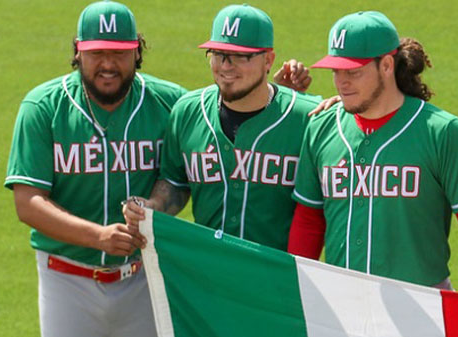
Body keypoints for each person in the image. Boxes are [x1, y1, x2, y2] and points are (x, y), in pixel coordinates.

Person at [4, 1, 186, 337]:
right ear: (78, 51)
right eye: (97, 52)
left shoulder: (170, 103)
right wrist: (98, 235)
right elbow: (29, 202)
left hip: (144, 283)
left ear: (138, 51)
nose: (108, 64)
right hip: (67, 283)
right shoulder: (43, 107)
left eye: (119, 52)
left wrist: (157, 208)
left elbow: (182, 177)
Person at [288, 11, 458, 296]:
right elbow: (309, 220)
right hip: (340, 306)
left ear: (386, 65)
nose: (341, 82)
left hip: (422, 305)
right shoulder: (321, 127)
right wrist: (295, 294)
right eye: (336, 70)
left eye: (353, 71)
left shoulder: (441, 131)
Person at [122, 4, 317, 251]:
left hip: (277, 278)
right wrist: (153, 206)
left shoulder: (306, 118)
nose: (226, 65)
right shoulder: (187, 111)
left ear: (268, 60)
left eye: (240, 56)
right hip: (208, 274)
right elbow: (175, 182)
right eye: (218, 54)